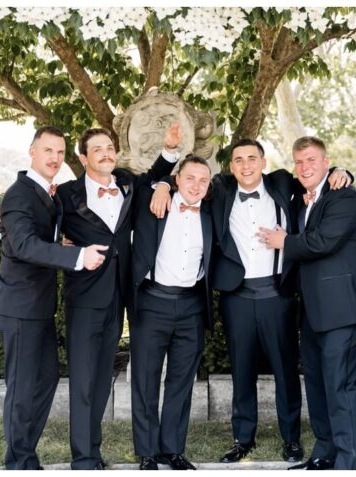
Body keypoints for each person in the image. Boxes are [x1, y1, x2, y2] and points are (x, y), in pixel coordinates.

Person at [148, 140, 351, 465]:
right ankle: (242, 437)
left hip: (278, 294)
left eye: (252, 159)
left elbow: (319, 175)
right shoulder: (219, 189)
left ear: (263, 161)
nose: (245, 165)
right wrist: (160, 183)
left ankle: (291, 439)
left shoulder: (284, 181)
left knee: (286, 370)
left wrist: (343, 171)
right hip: (236, 296)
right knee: (241, 370)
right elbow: (184, 182)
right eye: (238, 160)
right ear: (231, 166)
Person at [57, 125, 180, 469]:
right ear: (83, 158)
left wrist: (169, 154)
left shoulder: (126, 181)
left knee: (101, 379)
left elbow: (157, 176)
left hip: (121, 295)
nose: (107, 153)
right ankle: (83, 457)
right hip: (84, 296)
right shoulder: (66, 193)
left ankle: (93, 450)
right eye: (98, 149)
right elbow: (39, 227)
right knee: (83, 378)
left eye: (109, 147)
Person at [0, 126, 107, 470]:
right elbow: (25, 245)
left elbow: (19, 239)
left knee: (46, 378)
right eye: (48, 151)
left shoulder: (46, 193)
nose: (55, 158)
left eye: (60, 152)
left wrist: (60, 245)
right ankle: (18, 462)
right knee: (23, 386)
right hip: (20, 307)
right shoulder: (19, 194)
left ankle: (25, 453)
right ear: (32, 152)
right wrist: (76, 257)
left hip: (38, 307)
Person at [258, 136, 356, 470]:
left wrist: (284, 241)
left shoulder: (344, 197)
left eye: (312, 160)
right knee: (319, 387)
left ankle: (350, 464)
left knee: (339, 387)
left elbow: (322, 242)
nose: (305, 167)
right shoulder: (303, 200)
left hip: (343, 312)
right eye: (299, 161)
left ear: (326, 163)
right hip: (312, 313)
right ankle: (324, 454)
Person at [129, 156, 214, 470]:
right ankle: (148, 452)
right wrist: (161, 181)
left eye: (203, 180)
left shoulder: (212, 210)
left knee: (182, 381)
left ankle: (172, 449)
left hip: (191, 305)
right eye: (190, 178)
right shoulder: (154, 200)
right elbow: (136, 180)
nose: (196, 185)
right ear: (178, 179)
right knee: (145, 380)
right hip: (152, 302)